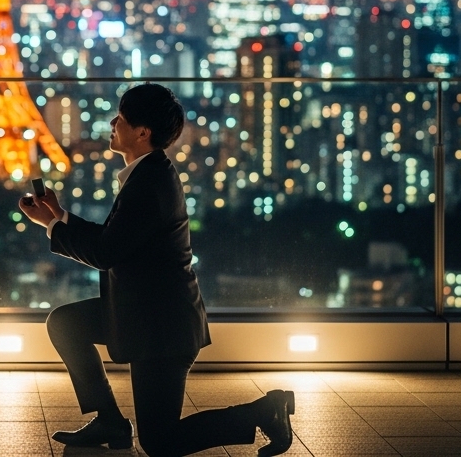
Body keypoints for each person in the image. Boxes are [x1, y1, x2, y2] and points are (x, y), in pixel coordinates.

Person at [19, 83, 296, 457]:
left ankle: (264, 411)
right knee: (66, 322)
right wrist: (59, 215)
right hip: (141, 313)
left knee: (160, 442)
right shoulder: (147, 173)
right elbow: (114, 238)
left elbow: (105, 252)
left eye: (121, 118)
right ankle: (110, 421)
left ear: (142, 133)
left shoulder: (148, 183)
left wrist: (49, 227)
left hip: (163, 331)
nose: (113, 123)